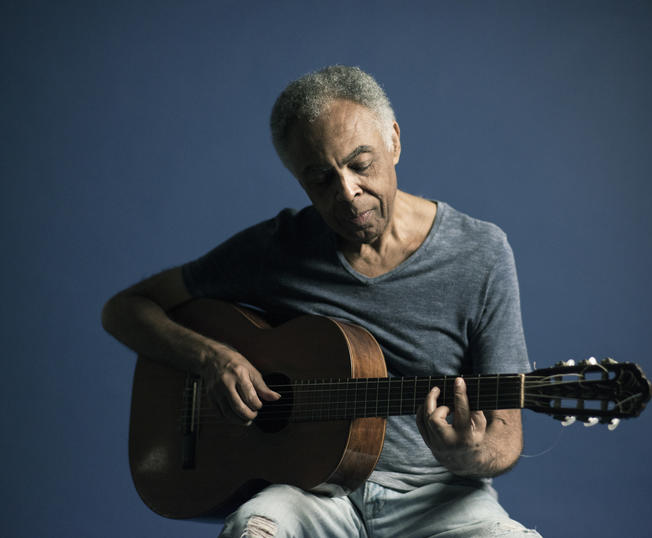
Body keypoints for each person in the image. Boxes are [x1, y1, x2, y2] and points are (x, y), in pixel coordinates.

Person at [102, 65, 541, 537]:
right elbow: (126, 309)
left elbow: (505, 436)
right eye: (320, 180)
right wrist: (212, 359)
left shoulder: (480, 252)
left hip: (439, 498)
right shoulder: (277, 249)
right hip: (311, 492)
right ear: (298, 179)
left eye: (361, 164)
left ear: (393, 140)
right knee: (254, 530)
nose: (347, 193)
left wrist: (466, 454)